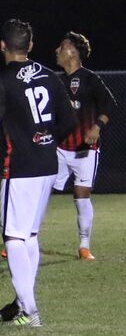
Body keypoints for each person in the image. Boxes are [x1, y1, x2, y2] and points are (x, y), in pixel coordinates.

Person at [0, 19, 74, 327]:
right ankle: (20, 304)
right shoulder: (50, 76)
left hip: (21, 167)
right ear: (30, 46)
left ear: (2, 46)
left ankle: (30, 311)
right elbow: (67, 121)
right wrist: (46, 139)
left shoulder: (1, 78)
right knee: (28, 235)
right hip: (46, 165)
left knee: (13, 237)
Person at [53, 32, 115, 261]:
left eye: (62, 46)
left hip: (84, 150)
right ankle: (21, 239)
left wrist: (97, 127)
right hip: (58, 149)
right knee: (39, 191)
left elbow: (109, 105)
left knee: (81, 195)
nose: (57, 50)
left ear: (73, 51)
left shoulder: (90, 79)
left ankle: (84, 246)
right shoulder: (55, 80)